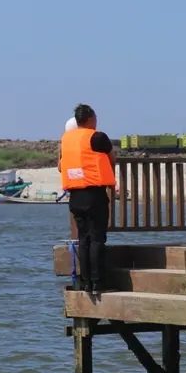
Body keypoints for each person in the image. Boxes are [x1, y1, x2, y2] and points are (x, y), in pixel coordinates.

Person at [59, 103, 116, 292]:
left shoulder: (66, 139)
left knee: (84, 239)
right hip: (94, 193)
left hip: (75, 196)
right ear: (91, 119)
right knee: (97, 238)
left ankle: (85, 282)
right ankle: (98, 282)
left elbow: (61, 166)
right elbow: (111, 158)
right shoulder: (98, 137)